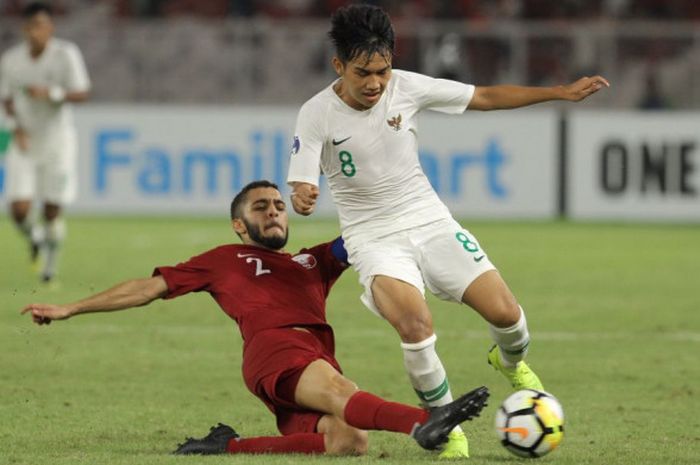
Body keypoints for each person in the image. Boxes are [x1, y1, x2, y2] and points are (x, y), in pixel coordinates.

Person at [287, 4, 609, 459]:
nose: (376, 82)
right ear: (339, 65)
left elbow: (485, 97)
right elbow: (302, 179)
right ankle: (444, 424)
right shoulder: (315, 113)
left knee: (507, 316)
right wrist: (303, 193)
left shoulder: (407, 87)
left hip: (429, 219)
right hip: (373, 238)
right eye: (363, 73)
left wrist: (559, 92)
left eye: (383, 70)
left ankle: (509, 361)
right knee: (415, 324)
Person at [21, 180, 489, 456]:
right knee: (342, 394)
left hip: (309, 356)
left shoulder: (313, 261)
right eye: (261, 207)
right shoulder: (224, 258)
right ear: (239, 225)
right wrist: (71, 308)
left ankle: (225, 447)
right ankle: (425, 420)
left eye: (279, 206)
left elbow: (370, 234)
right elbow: (148, 287)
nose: (274, 212)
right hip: (276, 348)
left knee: (350, 441)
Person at [0, 2, 91, 283]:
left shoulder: (66, 55)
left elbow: (81, 93)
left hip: (57, 142)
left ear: (50, 28)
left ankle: (50, 265)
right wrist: (14, 129)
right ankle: (35, 237)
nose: (34, 32)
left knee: (52, 208)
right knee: (18, 210)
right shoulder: (12, 60)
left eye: (40, 25)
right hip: (24, 139)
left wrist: (52, 92)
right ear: (24, 29)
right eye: (30, 26)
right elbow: (6, 99)